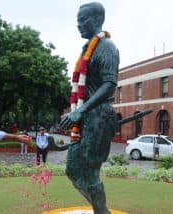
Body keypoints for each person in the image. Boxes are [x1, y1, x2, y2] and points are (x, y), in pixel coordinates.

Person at [59, 2, 120, 213]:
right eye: (77, 21)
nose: (78, 25)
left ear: (97, 19)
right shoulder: (87, 50)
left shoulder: (106, 47)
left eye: (82, 20)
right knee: (73, 169)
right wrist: (77, 111)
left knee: (91, 170)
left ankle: (101, 212)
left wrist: (81, 110)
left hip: (99, 117)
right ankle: (101, 210)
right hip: (85, 118)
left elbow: (110, 85)